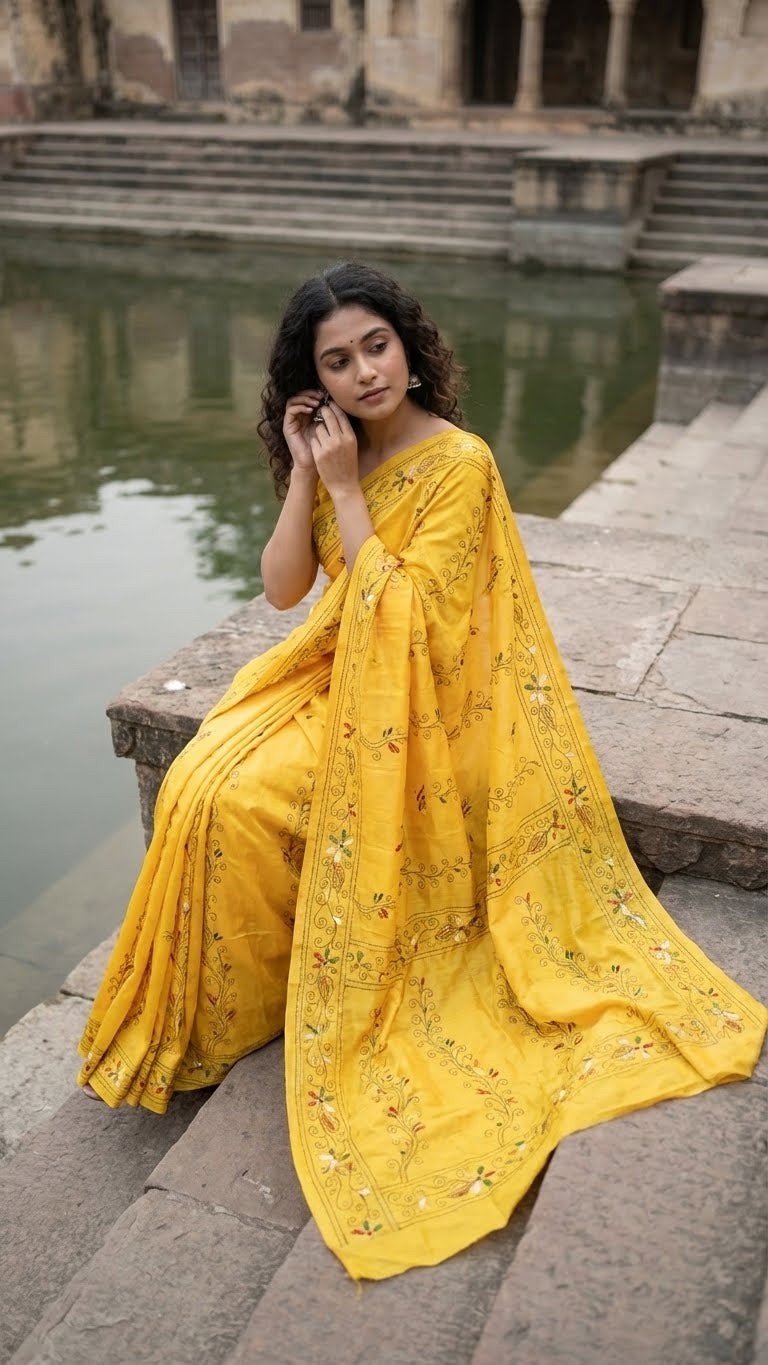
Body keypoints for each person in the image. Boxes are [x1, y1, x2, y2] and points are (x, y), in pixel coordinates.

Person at [77, 261, 766, 1281]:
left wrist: (347, 491)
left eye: (377, 347)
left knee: (243, 796)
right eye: (337, 362)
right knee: (200, 782)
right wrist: (308, 474)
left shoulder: (459, 463)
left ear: (409, 344)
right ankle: (236, 1004)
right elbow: (284, 592)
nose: (365, 373)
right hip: (340, 678)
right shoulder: (338, 451)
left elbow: (413, 622)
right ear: (311, 380)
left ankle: (262, 999)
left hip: (424, 704)